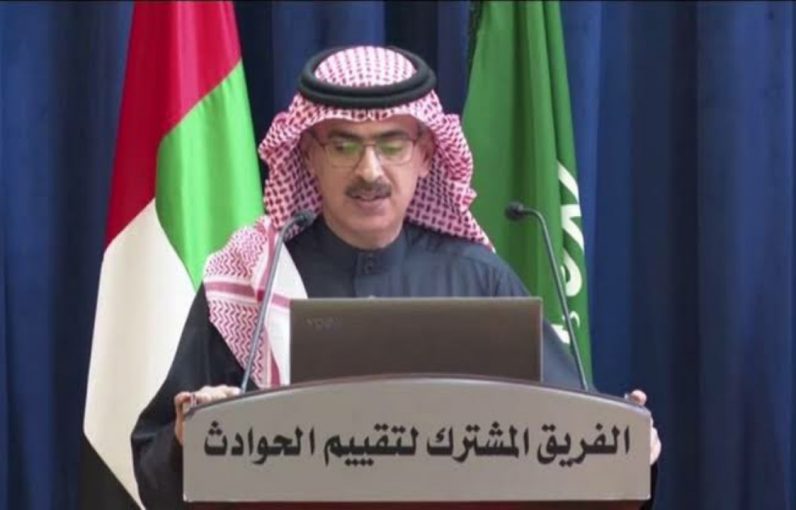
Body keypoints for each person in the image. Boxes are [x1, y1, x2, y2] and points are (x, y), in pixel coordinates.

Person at [131, 45, 661, 509]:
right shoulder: (251, 283)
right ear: (309, 156)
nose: (369, 171)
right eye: (343, 146)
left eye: (391, 145)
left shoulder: (479, 283)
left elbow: (578, 453)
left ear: (426, 156)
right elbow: (155, 478)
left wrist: (632, 446)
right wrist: (187, 440)